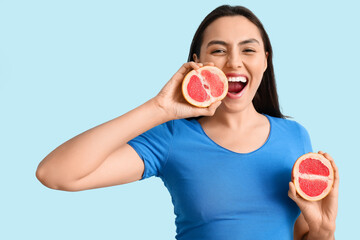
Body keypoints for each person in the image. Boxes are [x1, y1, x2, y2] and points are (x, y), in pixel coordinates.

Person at [36, 5, 339, 240]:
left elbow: (300, 233)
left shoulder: (296, 136)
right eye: (218, 50)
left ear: (265, 60)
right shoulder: (171, 138)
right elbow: (56, 174)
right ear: (198, 62)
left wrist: (325, 232)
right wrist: (158, 109)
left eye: (248, 49)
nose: (234, 62)